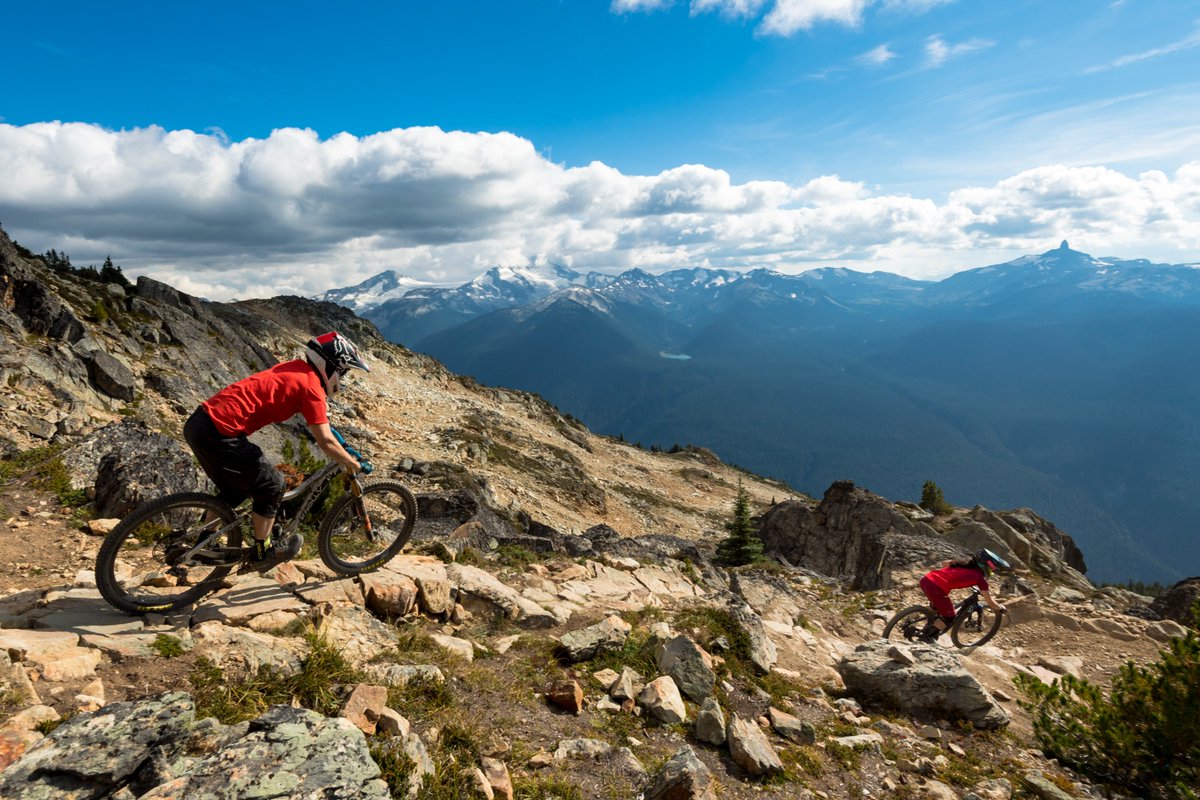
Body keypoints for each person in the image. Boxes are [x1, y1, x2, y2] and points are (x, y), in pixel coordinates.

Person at [183, 332, 369, 571]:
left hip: (199, 423)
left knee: (236, 488)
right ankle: (264, 552)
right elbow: (325, 441)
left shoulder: (296, 369)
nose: (341, 378)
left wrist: (340, 442)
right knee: (273, 485)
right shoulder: (312, 388)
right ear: (331, 365)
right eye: (343, 372)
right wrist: (352, 463)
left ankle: (202, 545)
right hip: (220, 433)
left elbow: (321, 423)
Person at [918, 548, 1010, 642]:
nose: (993, 571)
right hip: (936, 588)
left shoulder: (964, 563)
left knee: (938, 609)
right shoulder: (980, 579)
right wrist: (1000, 607)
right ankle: (926, 636)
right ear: (988, 566)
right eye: (993, 568)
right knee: (950, 616)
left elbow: (944, 563)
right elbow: (990, 602)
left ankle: (925, 625)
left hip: (926, 579)